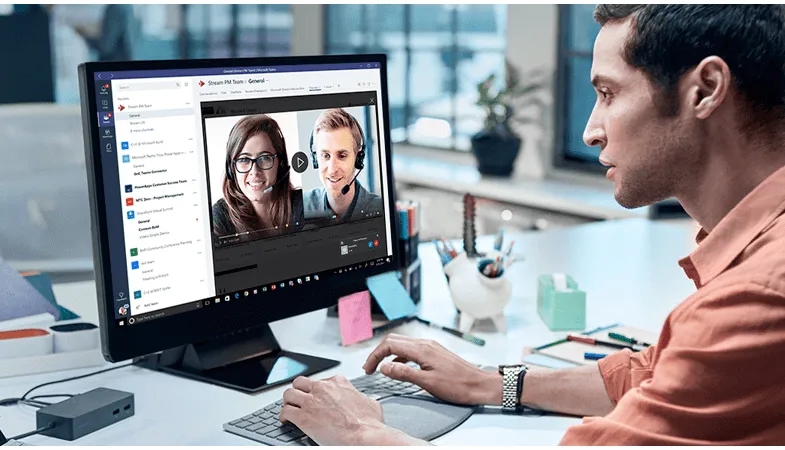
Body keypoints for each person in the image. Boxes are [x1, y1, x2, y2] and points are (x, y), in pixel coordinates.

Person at [277, 4, 785, 446]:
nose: (589, 130)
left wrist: (360, 434)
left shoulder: (756, 296)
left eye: (608, 93)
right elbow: (656, 374)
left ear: (706, 90)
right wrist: (488, 381)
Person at [212, 114, 303, 239]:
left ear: (280, 164)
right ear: (231, 169)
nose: (254, 171)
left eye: (265, 158)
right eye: (244, 160)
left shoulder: (304, 205)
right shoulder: (220, 218)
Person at [303, 108, 383, 223]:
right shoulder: (301, 207)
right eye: (325, 156)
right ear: (315, 159)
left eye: (342, 156)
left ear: (358, 159)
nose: (332, 170)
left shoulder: (380, 209)